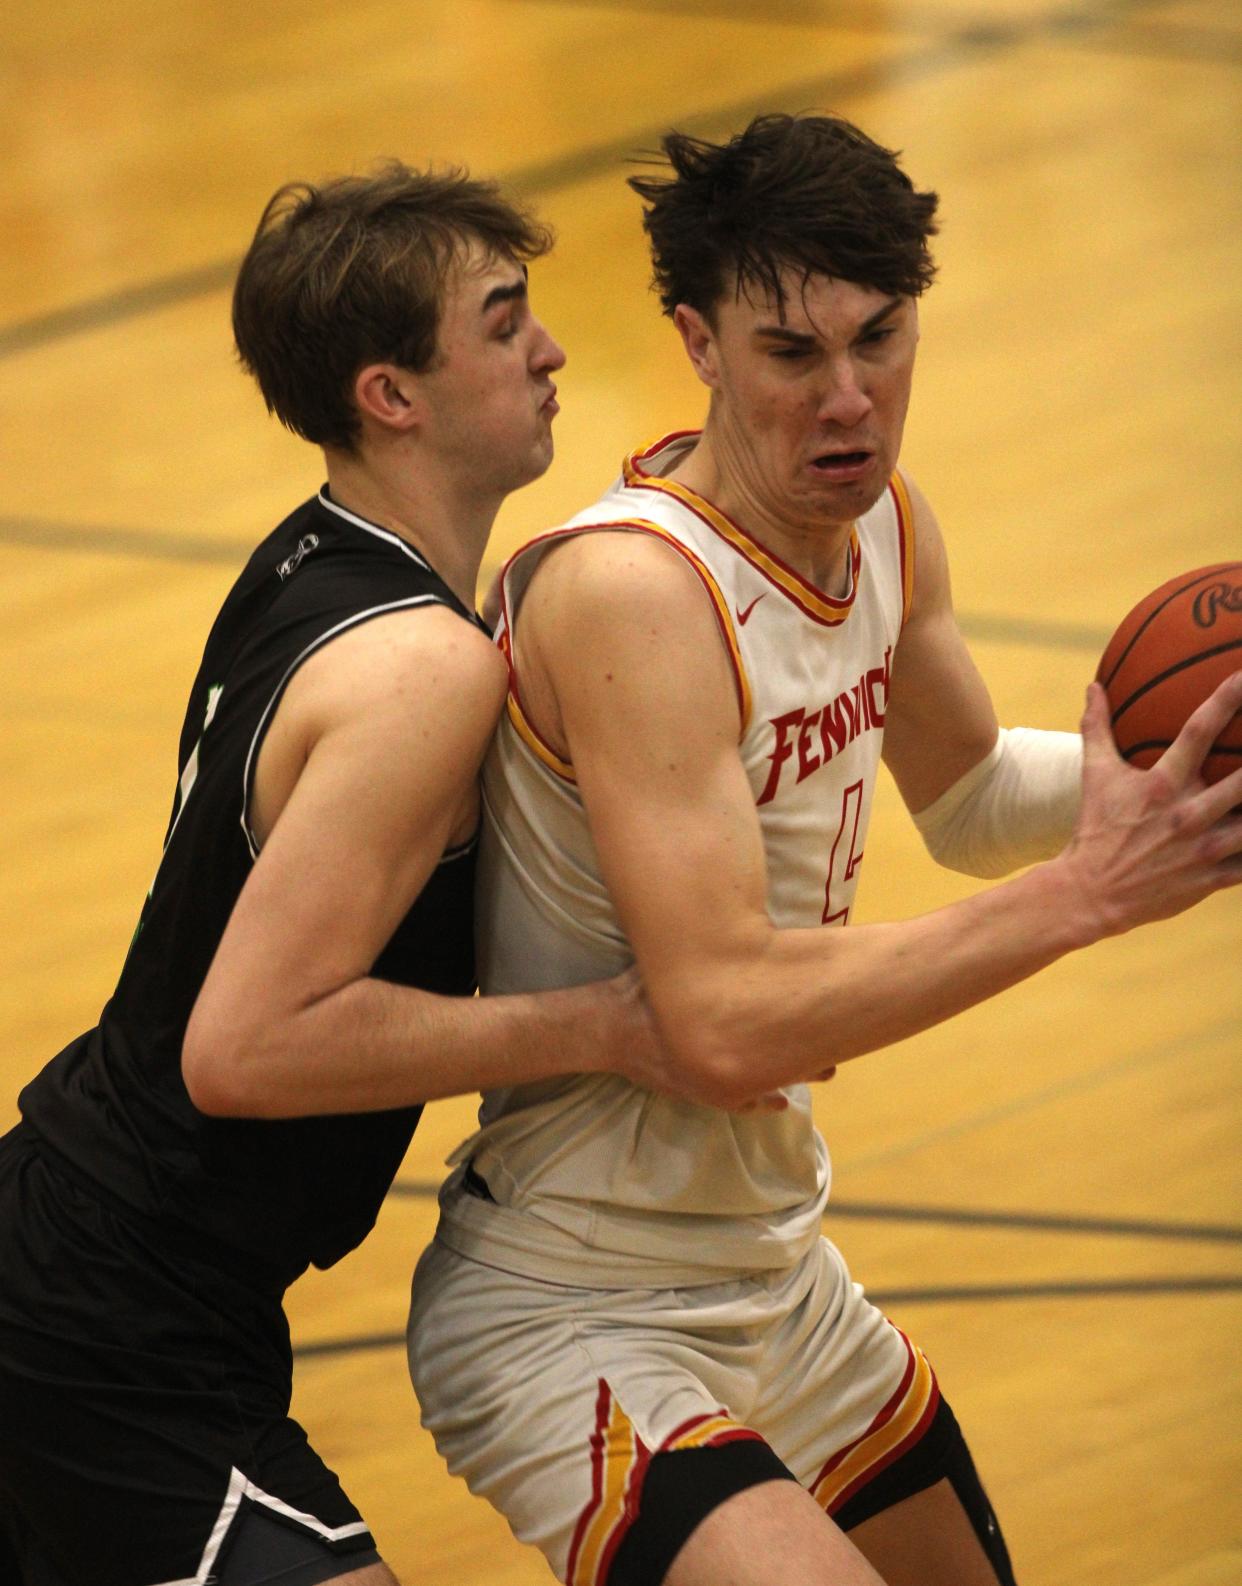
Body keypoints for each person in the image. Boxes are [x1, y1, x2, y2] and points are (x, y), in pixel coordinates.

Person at [405, 114, 1242, 1586]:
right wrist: (1094, 892)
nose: (850, 399)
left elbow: (970, 792)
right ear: (697, 343)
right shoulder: (635, 592)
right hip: (575, 1298)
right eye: (791, 353)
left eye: (882, 338)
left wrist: (1177, 785)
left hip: (773, 1274)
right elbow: (721, 1020)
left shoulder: (885, 530)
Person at [0, 161, 694, 1586]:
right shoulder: (420, 668)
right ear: (393, 392)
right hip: (110, 1317)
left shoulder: (314, 565)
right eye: (504, 323)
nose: (551, 348)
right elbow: (244, 1046)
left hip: (94, 1258)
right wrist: (608, 1023)